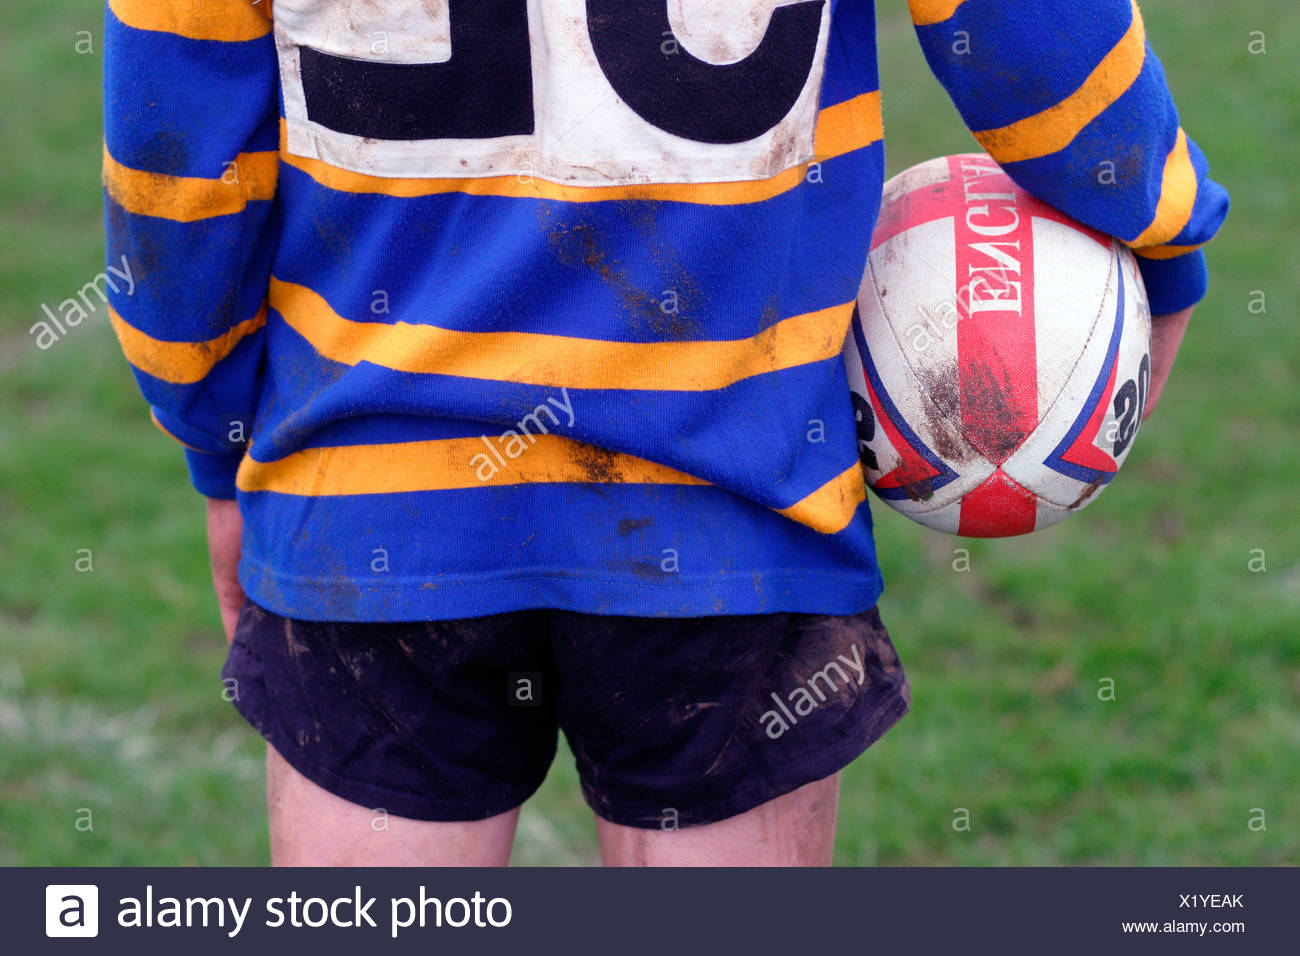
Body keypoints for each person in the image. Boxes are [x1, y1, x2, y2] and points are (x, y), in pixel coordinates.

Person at [103, 0, 1227, 866]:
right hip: (726, 485)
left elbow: (178, 137)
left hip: (372, 497)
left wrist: (214, 431)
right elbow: (1027, 27)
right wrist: (1160, 236)